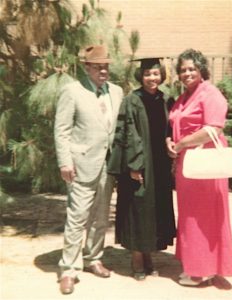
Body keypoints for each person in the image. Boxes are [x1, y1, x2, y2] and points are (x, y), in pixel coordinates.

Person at [54, 45, 123, 294]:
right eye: (97, 66)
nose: (103, 70)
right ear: (86, 67)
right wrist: (65, 162)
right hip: (80, 164)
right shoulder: (72, 91)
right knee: (77, 217)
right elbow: (61, 130)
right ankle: (69, 269)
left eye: (106, 66)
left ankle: (94, 258)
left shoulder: (116, 92)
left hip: (108, 164)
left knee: (101, 216)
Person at [166, 48, 232, 287]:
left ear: (201, 69)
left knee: (204, 216)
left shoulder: (210, 93)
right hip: (188, 164)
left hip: (206, 163)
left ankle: (202, 271)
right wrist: (170, 142)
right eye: (183, 69)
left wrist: (183, 143)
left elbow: (214, 128)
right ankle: (198, 264)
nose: (187, 73)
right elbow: (174, 122)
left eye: (191, 69)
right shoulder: (184, 96)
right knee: (190, 215)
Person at [108, 57, 176, 281]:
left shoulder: (166, 99)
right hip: (138, 165)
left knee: (152, 211)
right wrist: (134, 165)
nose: (152, 78)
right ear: (141, 76)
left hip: (159, 167)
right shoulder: (132, 100)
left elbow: (171, 130)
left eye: (156, 74)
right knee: (138, 210)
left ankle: (149, 256)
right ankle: (137, 258)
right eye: (147, 74)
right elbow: (128, 134)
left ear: (161, 75)